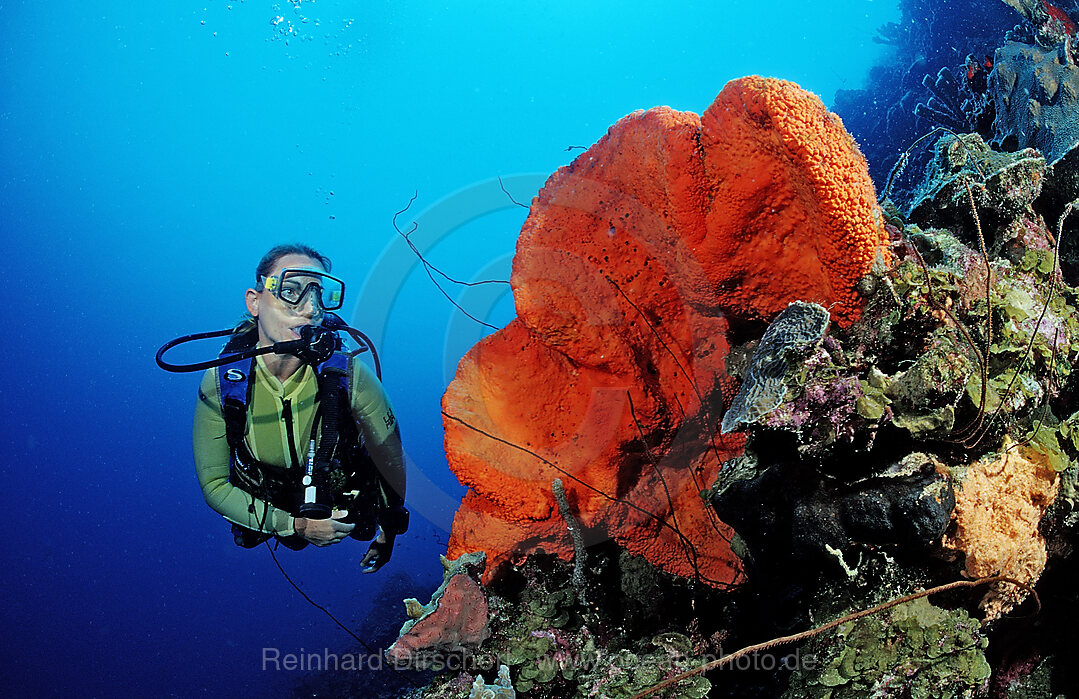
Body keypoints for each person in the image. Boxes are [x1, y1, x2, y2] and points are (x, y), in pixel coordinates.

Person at [192, 244, 407, 573]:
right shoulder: (222, 384)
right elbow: (214, 485)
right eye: (291, 291)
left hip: (336, 491)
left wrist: (389, 530)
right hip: (268, 498)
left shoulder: (351, 375)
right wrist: (294, 525)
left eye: (319, 295)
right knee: (249, 537)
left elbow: (389, 455)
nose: (309, 309)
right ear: (254, 301)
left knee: (361, 524)